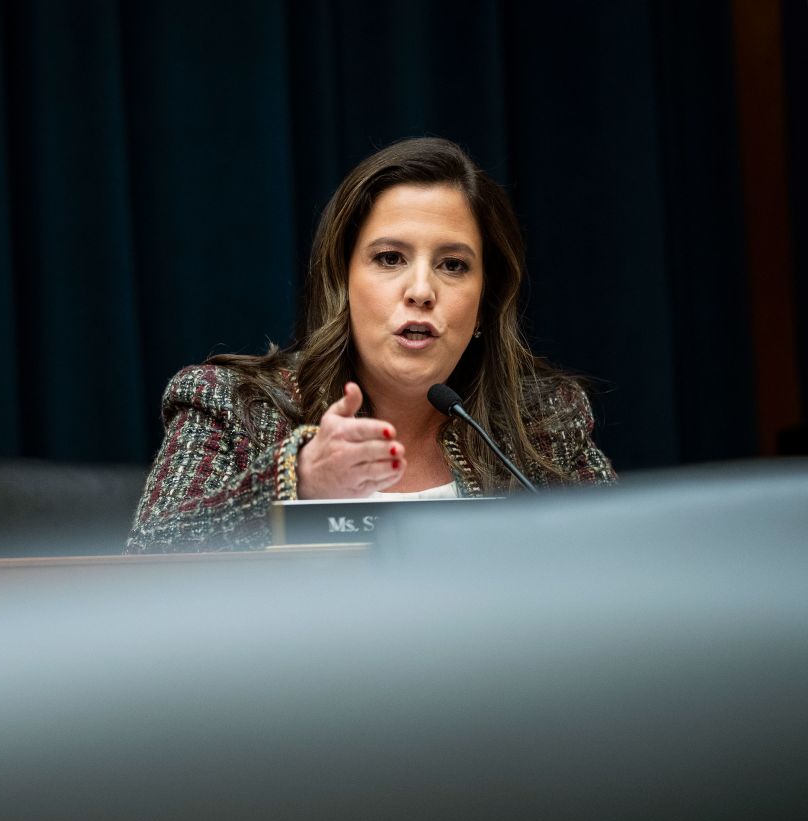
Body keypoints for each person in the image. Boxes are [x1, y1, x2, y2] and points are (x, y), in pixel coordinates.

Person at [126, 137, 616, 553]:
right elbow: (150, 561)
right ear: (344, 283)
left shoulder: (541, 423)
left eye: (453, 265)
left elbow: (623, 570)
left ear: (486, 300)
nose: (421, 290)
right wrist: (299, 483)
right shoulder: (238, 406)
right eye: (389, 258)